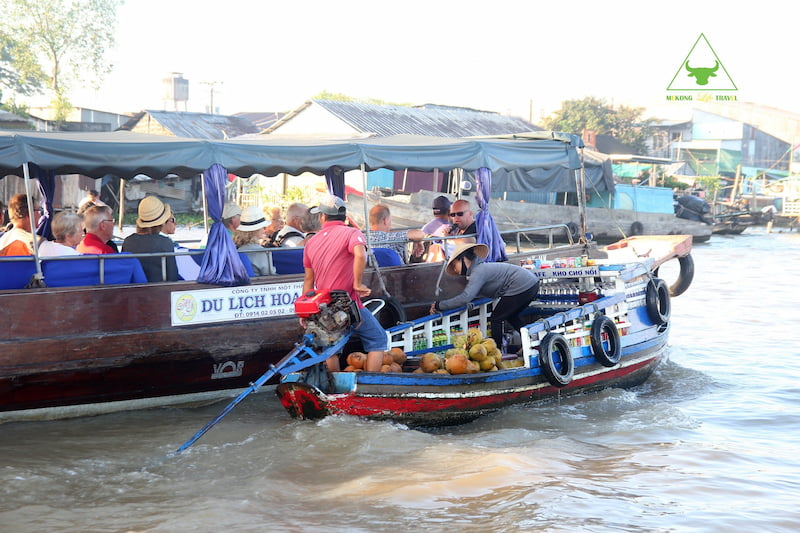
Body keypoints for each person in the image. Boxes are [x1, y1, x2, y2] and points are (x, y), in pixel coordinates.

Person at [302, 195, 387, 372]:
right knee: (378, 340)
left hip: (325, 307)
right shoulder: (352, 233)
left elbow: (309, 281)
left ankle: (334, 388)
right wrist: (357, 283)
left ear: (322, 217)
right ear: (344, 217)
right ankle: (370, 385)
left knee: (330, 348)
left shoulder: (311, 242)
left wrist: (305, 313)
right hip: (351, 305)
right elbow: (361, 254)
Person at [430, 243, 539, 351]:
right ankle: (529, 341)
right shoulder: (479, 270)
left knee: (496, 319)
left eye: (454, 265)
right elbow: (471, 295)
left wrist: (439, 305)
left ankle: (496, 352)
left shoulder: (479, 271)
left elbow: (466, 297)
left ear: (463, 259)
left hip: (522, 285)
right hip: (530, 283)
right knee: (510, 316)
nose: (455, 270)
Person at [122, 196, 179, 282]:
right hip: (159, 292)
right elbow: (172, 276)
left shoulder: (128, 241)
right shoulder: (165, 242)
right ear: (162, 222)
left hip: (132, 292)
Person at [233, 206, 276, 276]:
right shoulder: (260, 252)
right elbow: (269, 275)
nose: (264, 229)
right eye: (263, 227)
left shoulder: (237, 249)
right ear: (255, 231)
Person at [161, 212, 201, 281]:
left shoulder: (169, 242)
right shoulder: (167, 244)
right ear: (162, 222)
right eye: (172, 220)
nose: (176, 224)